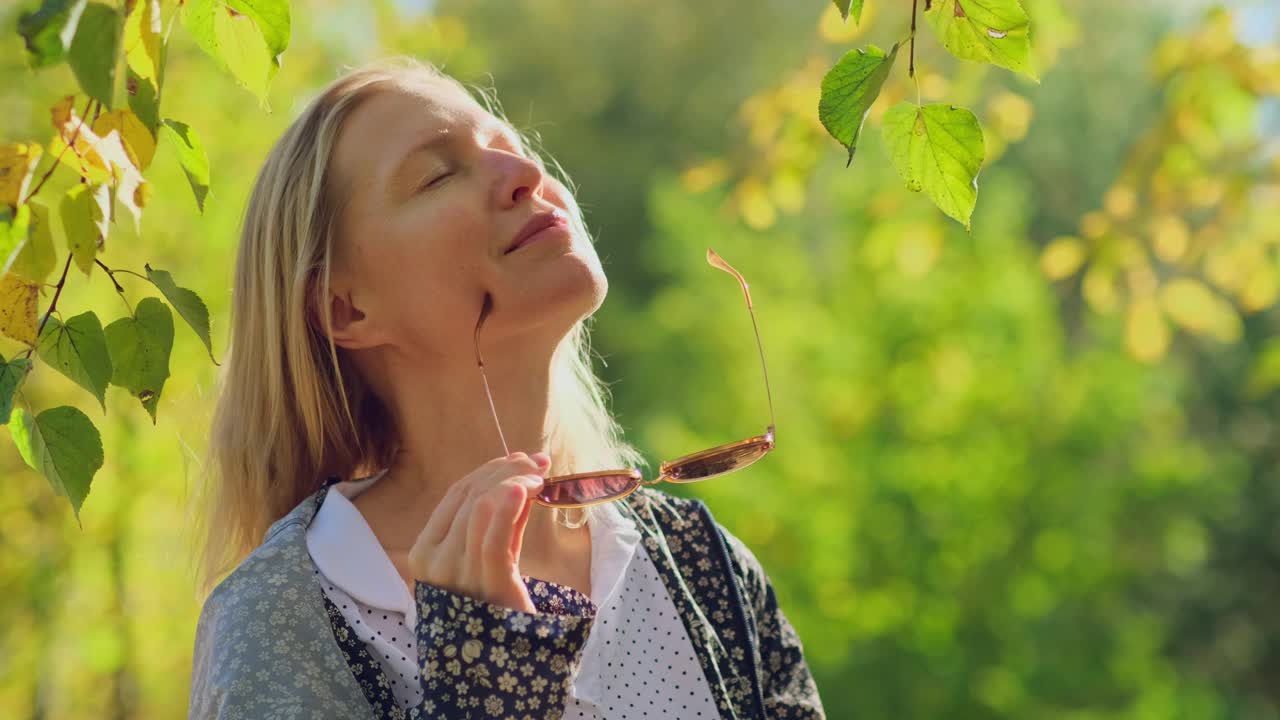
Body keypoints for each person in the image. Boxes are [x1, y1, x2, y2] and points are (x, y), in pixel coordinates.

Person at [186, 57, 825, 719]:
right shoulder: (283, 619)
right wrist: (482, 685)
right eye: (438, 175)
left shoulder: (702, 565)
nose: (527, 176)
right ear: (346, 308)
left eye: (512, 148)